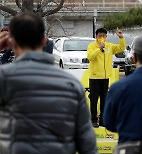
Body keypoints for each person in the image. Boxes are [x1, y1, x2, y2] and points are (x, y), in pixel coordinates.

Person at [0, 12, 97, 154]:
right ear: (45, 40)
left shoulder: (4, 77)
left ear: (11, 42)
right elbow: (87, 143)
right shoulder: (71, 84)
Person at [87, 27, 126, 127]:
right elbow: (90, 57)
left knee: (104, 99)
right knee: (94, 99)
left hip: (105, 77)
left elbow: (121, 48)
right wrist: (99, 48)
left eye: (104, 36)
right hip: (95, 77)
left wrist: (121, 38)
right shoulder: (92, 46)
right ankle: (94, 119)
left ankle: (103, 120)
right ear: (96, 36)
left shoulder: (109, 46)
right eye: (100, 36)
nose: (102, 37)